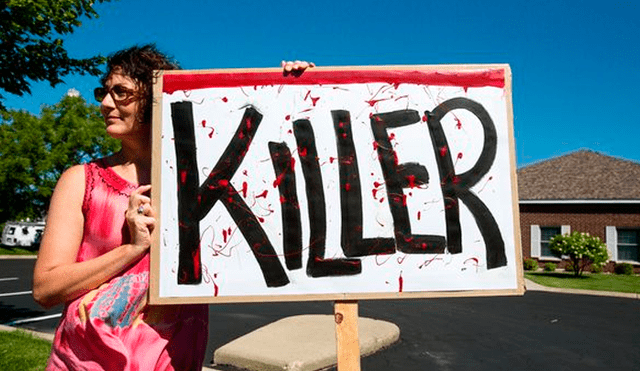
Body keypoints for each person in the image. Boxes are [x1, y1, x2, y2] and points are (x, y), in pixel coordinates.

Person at [33, 44, 313, 370]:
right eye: (104, 92)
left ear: (156, 97)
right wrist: (131, 249)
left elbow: (283, 199)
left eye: (121, 93)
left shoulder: (205, 182)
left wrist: (296, 87)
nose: (105, 103)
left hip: (173, 360)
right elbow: (45, 288)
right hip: (84, 362)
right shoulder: (82, 180)